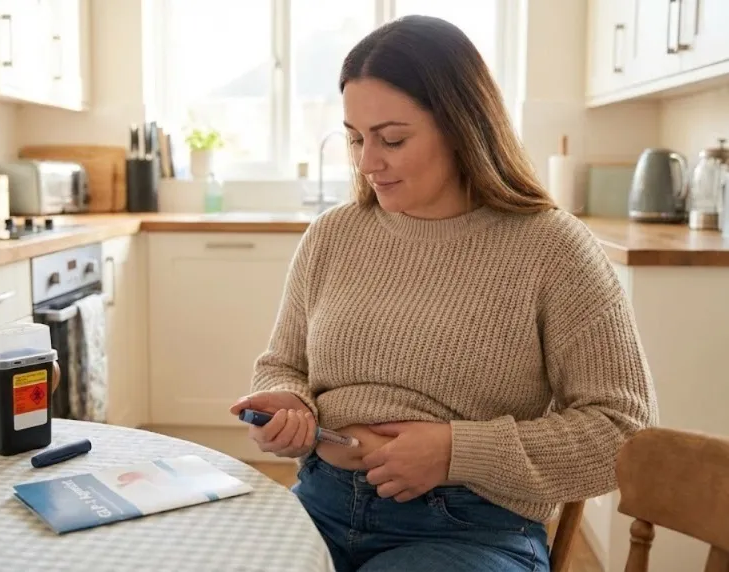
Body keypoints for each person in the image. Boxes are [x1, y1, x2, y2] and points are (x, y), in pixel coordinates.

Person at [229, 14, 658, 572]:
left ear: (461, 127)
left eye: (392, 139)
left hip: (471, 529)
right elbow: (283, 364)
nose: (367, 162)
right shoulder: (333, 235)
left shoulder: (552, 248)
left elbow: (622, 431)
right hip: (320, 503)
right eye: (356, 138)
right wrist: (288, 403)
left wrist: (457, 451)